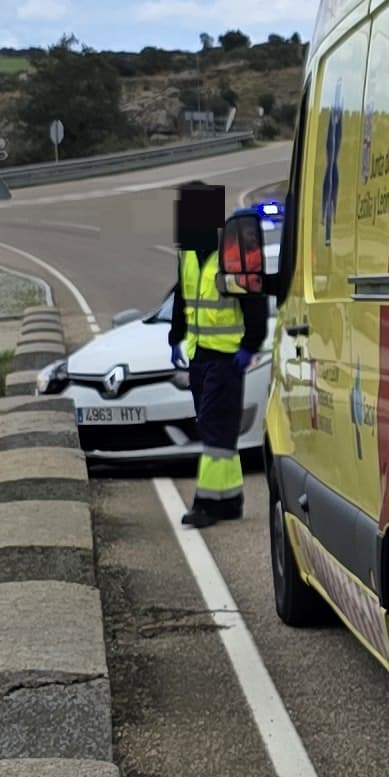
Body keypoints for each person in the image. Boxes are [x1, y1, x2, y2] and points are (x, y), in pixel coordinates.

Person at [170, 181, 256, 525]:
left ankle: (206, 504)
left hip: (226, 355)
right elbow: (182, 296)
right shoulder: (188, 252)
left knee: (213, 428)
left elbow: (251, 299)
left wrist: (249, 346)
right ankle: (230, 499)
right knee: (219, 432)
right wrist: (175, 336)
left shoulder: (230, 252)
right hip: (199, 355)